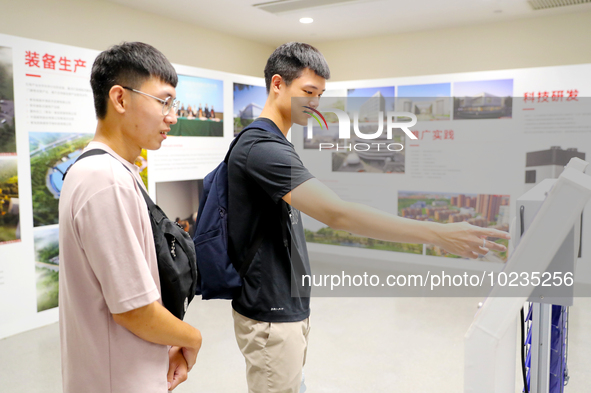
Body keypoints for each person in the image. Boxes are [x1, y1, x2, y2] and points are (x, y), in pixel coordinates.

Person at [227, 42, 510, 393]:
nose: (314, 103)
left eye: (320, 94)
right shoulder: (263, 149)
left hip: (286, 304)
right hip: (270, 311)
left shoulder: (275, 143)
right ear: (277, 84)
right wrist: (438, 234)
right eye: (308, 91)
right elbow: (337, 213)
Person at [59, 42, 202, 393]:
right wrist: (193, 338)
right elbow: (134, 310)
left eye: (174, 103)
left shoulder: (101, 170)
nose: (172, 116)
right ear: (121, 99)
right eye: (163, 101)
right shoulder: (106, 180)